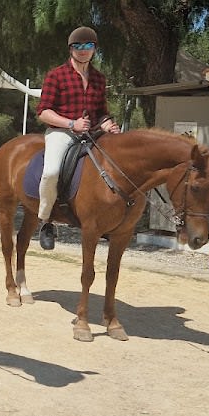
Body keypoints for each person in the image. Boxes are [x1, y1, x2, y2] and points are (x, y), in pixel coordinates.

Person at [34, 25, 121, 250]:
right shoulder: (56, 75)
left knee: (116, 168)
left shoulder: (99, 79)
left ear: (94, 49)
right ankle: (45, 221)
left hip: (92, 134)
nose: (83, 50)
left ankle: (104, 221)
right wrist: (71, 123)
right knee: (51, 172)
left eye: (88, 46)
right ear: (71, 49)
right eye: (78, 46)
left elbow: (101, 111)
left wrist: (108, 124)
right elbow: (43, 111)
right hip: (61, 132)